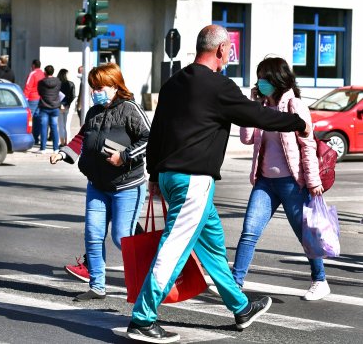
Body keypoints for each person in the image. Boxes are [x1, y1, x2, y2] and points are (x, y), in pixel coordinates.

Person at [126, 25, 313, 343]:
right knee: (174, 247)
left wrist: (154, 176)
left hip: (173, 178)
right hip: (193, 181)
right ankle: (143, 319)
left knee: (212, 245)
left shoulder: (174, 83)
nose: (230, 55)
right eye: (230, 50)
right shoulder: (218, 86)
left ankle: (241, 308)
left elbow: (157, 130)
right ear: (222, 50)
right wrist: (298, 123)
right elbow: (257, 116)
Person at [231, 56, 329, 301]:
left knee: (305, 233)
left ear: (277, 79)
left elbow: (307, 145)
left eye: (264, 76)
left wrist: (313, 181)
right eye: (259, 76)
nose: (260, 81)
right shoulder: (262, 107)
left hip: (292, 183)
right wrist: (252, 106)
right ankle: (234, 284)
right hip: (265, 182)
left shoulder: (294, 105)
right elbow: (246, 138)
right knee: (249, 231)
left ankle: (320, 280)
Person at [50, 63, 150, 301]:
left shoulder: (130, 109)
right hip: (97, 185)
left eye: (100, 86)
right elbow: (82, 137)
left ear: (115, 86)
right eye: (93, 87)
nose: (95, 91)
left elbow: (149, 138)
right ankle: (97, 287)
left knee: (121, 236)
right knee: (93, 235)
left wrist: (124, 156)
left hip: (127, 186)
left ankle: (148, 279)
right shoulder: (93, 111)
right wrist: (64, 153)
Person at [37, 65, 61, 153]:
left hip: (44, 106)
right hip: (55, 107)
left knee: (43, 127)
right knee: (54, 127)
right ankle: (56, 148)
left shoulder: (41, 82)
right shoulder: (58, 81)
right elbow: (58, 91)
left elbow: (39, 92)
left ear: (45, 72)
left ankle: (43, 148)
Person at [23, 59, 45, 145]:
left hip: (32, 98)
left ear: (33, 65)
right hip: (41, 98)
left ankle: (30, 137)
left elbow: (28, 86)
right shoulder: (43, 74)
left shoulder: (33, 74)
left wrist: (25, 98)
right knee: (38, 119)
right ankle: (36, 137)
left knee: (29, 118)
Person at [57, 68, 76, 146]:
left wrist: (59, 105)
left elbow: (55, 95)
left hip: (59, 106)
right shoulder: (71, 84)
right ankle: (67, 142)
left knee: (61, 125)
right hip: (68, 106)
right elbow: (73, 96)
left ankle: (61, 142)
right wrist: (67, 104)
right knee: (67, 125)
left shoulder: (57, 84)